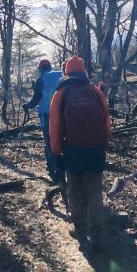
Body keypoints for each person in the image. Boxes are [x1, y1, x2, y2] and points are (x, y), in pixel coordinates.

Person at [49, 55, 111, 244]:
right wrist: (103, 143)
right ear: (83, 71)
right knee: (94, 189)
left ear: (67, 71)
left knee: (75, 189)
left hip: (73, 149)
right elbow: (106, 121)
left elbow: (55, 125)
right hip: (95, 148)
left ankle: (80, 229)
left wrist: (56, 150)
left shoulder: (61, 93)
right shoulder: (94, 91)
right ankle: (97, 231)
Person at [23, 58, 63, 186]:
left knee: (49, 142)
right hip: (62, 114)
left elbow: (36, 99)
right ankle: (64, 169)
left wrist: (27, 106)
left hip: (47, 115)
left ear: (41, 69)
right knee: (62, 140)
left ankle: (52, 169)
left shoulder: (41, 80)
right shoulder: (60, 75)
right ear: (49, 67)